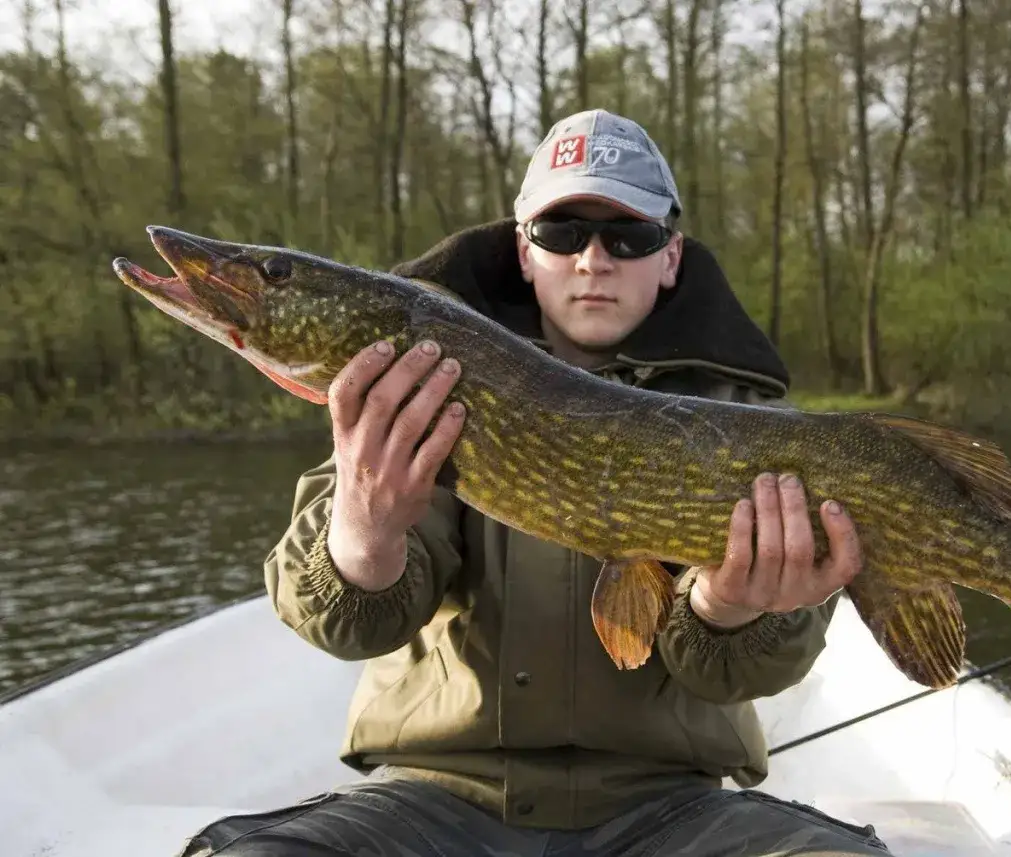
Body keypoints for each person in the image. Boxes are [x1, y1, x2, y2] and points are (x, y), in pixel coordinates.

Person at [178, 109, 891, 857]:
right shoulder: (423, 376)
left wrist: (727, 607)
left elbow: (757, 668)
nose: (593, 259)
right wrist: (362, 524)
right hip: (434, 797)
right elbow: (347, 623)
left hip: (675, 808)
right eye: (562, 233)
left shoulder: (751, 423)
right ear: (524, 251)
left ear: (670, 256)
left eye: (629, 237)